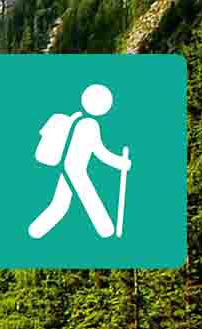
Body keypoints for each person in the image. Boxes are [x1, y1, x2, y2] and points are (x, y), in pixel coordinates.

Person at [28, 83, 131, 240]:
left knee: (60, 204)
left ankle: (35, 232)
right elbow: (100, 152)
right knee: (88, 200)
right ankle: (107, 231)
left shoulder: (73, 117)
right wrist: (121, 163)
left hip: (65, 166)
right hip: (74, 169)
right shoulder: (90, 125)